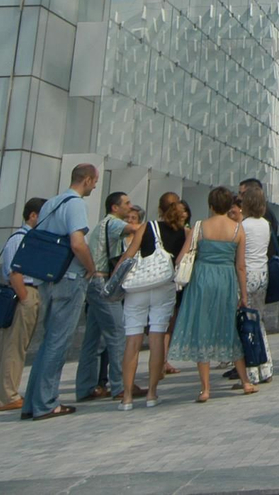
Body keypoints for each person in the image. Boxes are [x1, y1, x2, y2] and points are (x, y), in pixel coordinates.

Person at [21, 163, 99, 420]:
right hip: (70, 277)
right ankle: (46, 403)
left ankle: (32, 403)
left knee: (48, 341)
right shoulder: (76, 204)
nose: (95, 186)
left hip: (48, 277)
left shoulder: (51, 203)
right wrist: (91, 268)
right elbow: (77, 243)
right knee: (58, 341)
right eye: (95, 181)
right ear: (87, 180)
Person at [169, 186, 256, 401]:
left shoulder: (200, 226)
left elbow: (181, 258)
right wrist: (244, 295)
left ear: (210, 205)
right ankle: (246, 381)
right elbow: (241, 266)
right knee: (228, 327)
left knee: (203, 329)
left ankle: (205, 388)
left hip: (202, 279)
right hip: (226, 280)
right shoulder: (237, 229)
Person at [76, 190, 139, 403]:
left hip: (93, 283)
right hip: (103, 283)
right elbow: (134, 228)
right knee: (117, 333)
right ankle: (121, 384)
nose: (130, 207)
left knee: (92, 338)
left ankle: (85, 387)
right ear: (115, 207)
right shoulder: (112, 223)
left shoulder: (102, 225)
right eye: (126, 203)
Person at [113, 205, 172, 409]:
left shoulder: (147, 227)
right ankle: (152, 394)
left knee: (132, 340)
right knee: (157, 338)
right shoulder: (183, 232)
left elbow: (128, 255)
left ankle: (127, 397)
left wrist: (114, 280)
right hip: (163, 286)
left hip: (137, 288)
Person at [0, 197, 45, 412]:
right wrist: (25, 297)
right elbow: (15, 272)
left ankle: (6, 393)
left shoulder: (26, 237)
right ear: (33, 215)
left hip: (26, 292)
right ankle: (8, 395)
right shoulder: (20, 238)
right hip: (24, 292)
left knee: (13, 346)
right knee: (15, 347)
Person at [238, 184, 275, 384]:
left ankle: (251, 371)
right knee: (259, 321)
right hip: (262, 273)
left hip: (247, 274)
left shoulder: (243, 226)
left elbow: (240, 257)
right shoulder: (265, 224)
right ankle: (266, 367)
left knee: (245, 324)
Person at [156, 193, 189, 377]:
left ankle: (159, 361)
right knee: (169, 324)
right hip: (174, 281)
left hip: (154, 280)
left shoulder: (152, 228)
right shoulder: (184, 232)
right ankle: (162, 361)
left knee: (156, 324)